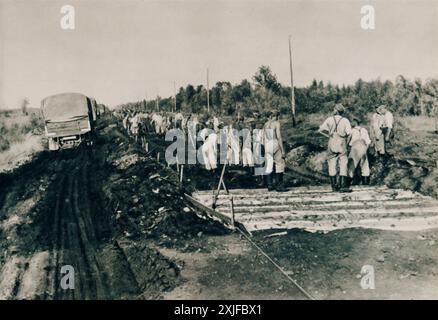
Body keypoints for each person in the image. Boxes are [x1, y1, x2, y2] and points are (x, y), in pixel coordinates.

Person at [318, 103, 352, 192]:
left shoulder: (329, 119)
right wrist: (347, 144)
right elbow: (349, 134)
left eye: (334, 109)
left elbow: (320, 130)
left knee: (331, 163)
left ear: (336, 110)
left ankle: (334, 186)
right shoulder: (345, 120)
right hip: (342, 141)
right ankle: (342, 185)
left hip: (332, 141)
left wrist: (328, 135)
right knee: (343, 163)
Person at [263, 110, 287, 192]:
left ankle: (269, 184)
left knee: (269, 165)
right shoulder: (276, 123)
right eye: (277, 116)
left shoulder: (266, 124)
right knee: (279, 164)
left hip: (267, 144)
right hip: (274, 143)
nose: (277, 117)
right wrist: (283, 150)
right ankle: (279, 185)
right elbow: (279, 137)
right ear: (275, 116)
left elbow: (264, 137)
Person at [348, 117, 371, 185]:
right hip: (363, 146)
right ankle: (365, 182)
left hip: (355, 147)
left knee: (352, 165)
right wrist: (365, 149)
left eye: (352, 122)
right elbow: (368, 142)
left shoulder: (352, 131)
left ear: (355, 122)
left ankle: (348, 181)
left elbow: (349, 141)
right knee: (365, 164)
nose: (351, 123)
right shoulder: (364, 130)